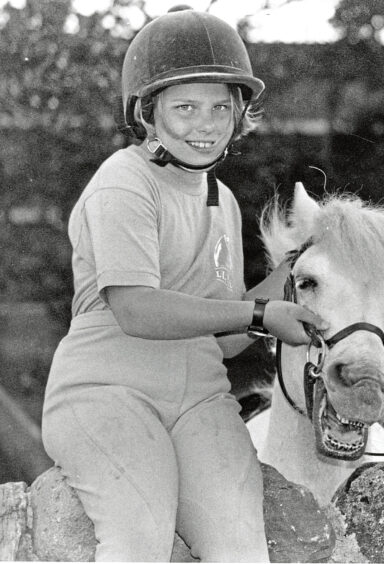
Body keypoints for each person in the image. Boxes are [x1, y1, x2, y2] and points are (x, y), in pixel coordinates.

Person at [41, 8, 324, 561]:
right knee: (139, 539)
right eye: (185, 107)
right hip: (107, 392)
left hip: (199, 398)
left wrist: (298, 267)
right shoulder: (124, 179)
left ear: (240, 112)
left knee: (245, 551)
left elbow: (221, 335)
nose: (207, 123)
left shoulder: (222, 201)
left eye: (222, 106)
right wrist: (261, 315)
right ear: (148, 114)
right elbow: (138, 311)